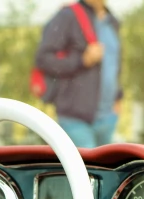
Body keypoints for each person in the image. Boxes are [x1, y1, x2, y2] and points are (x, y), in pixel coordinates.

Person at [35, 0, 121, 148]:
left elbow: (115, 64)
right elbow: (43, 59)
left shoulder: (112, 22)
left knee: (102, 170)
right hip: (75, 118)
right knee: (85, 170)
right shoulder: (67, 16)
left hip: (108, 118)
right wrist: (82, 60)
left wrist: (119, 96)